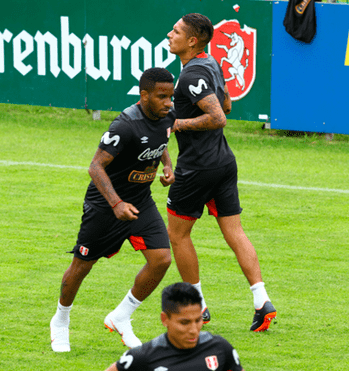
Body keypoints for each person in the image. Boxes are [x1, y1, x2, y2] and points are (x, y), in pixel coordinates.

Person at [50, 67, 177, 352]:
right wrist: (116, 203)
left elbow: (162, 141)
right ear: (143, 96)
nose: (168, 102)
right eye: (161, 96)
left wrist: (168, 165)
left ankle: (121, 316)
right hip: (106, 206)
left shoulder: (168, 115)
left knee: (162, 260)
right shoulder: (125, 125)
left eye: (171, 96)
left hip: (140, 202)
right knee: (82, 266)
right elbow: (95, 167)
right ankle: (60, 321)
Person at [166, 13, 276, 331]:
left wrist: (177, 122)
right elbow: (226, 104)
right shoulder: (210, 62)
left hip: (197, 168)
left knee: (177, 234)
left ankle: (197, 306)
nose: (169, 34)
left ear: (192, 40)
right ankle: (261, 301)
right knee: (235, 232)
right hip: (224, 162)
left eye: (176, 31)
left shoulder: (189, 76)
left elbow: (218, 116)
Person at [104, 282, 244, 371]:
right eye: (184, 323)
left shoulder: (220, 348)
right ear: (165, 319)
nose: (193, 330)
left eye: (198, 320)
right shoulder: (142, 357)